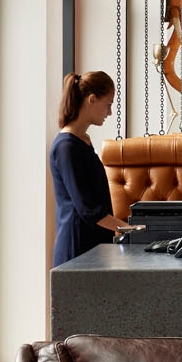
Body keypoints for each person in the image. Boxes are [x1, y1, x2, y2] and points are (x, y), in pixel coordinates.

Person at [51, 71, 136, 265]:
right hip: (77, 250)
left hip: (93, 247)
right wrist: (130, 229)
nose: (110, 112)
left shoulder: (83, 141)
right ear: (91, 99)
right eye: (108, 104)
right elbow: (88, 209)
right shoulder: (66, 147)